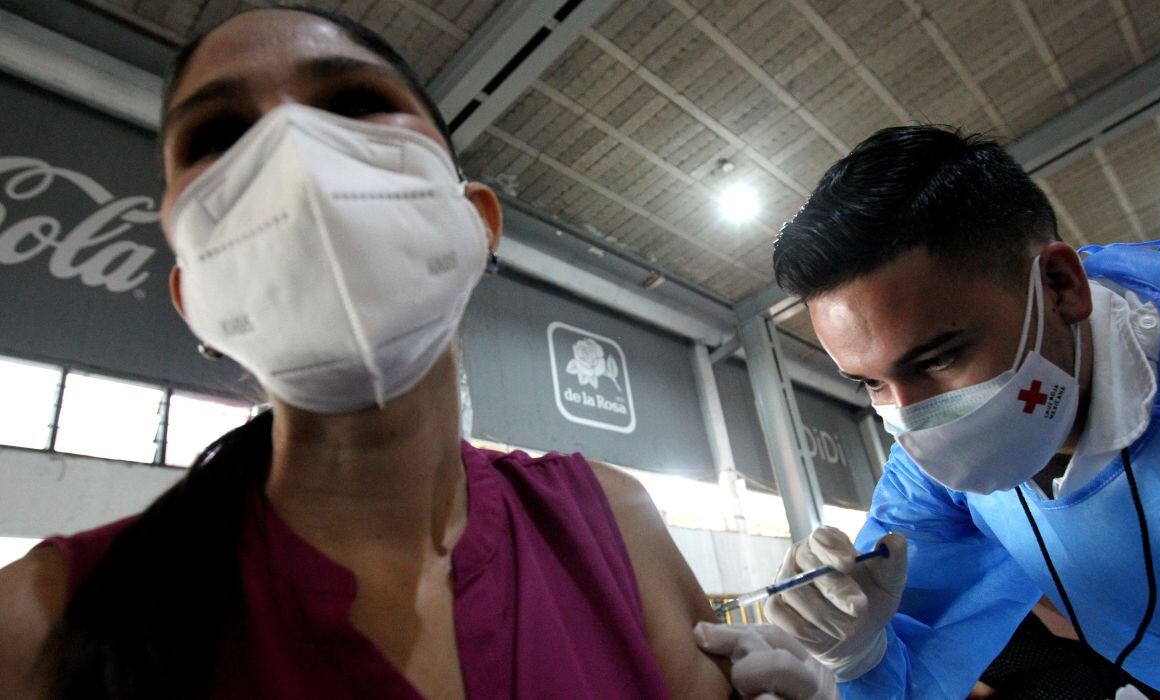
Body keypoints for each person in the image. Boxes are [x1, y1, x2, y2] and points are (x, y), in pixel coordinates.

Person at [0, 6, 730, 698]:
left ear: (476, 220)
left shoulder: (613, 525)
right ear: (194, 294)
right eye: (219, 136)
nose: (294, 153)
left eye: (352, 103)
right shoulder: (44, 628)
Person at [698, 125, 1160, 699]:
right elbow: (915, 647)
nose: (915, 419)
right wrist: (853, 655)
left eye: (939, 359)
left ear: (1060, 288)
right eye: (871, 384)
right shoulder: (928, 477)